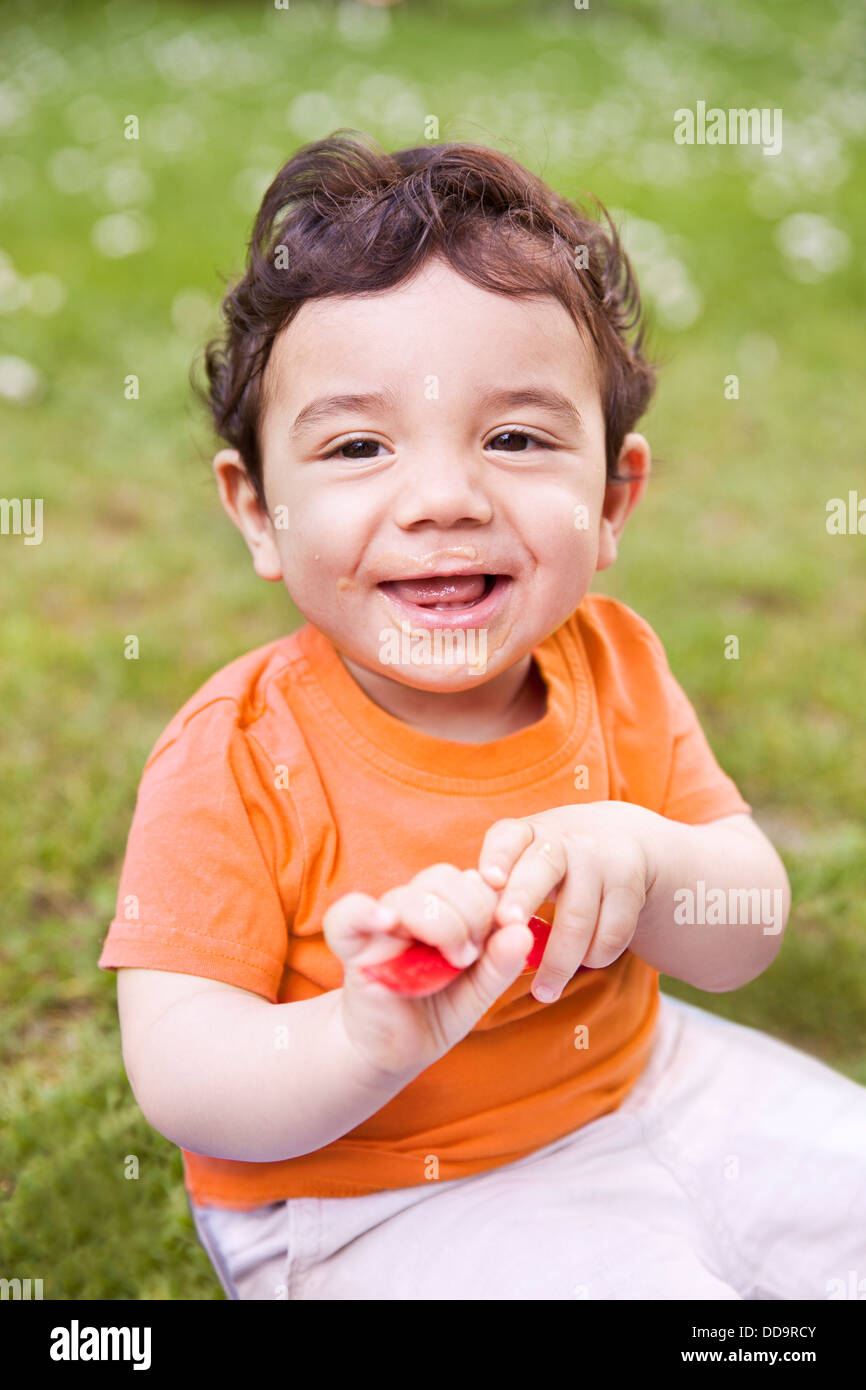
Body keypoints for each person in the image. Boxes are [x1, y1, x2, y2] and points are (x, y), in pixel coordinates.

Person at [98, 131, 866, 1300]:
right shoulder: (239, 754)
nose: (445, 499)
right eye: (358, 446)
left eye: (513, 437)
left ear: (612, 498)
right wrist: (358, 1039)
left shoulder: (612, 661)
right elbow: (182, 1069)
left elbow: (743, 926)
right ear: (257, 510)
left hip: (644, 1083)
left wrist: (647, 861)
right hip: (380, 1198)